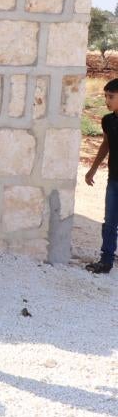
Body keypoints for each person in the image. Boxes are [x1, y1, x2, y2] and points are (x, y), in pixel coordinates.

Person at [84, 77, 118, 274]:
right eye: (105, 96)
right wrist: (92, 169)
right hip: (114, 179)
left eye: (111, 96)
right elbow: (105, 145)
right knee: (109, 222)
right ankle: (106, 261)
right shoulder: (107, 120)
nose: (107, 100)